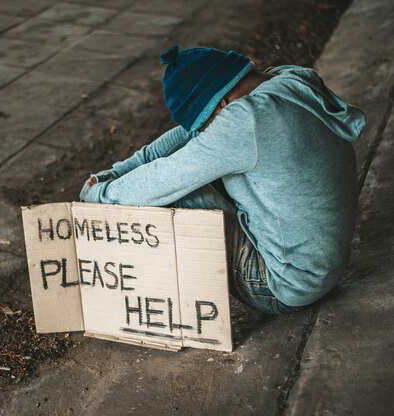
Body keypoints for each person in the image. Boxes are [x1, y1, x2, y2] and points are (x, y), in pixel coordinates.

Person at [79, 45, 365, 314]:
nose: (204, 134)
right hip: (323, 266)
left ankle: (148, 304)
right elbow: (182, 139)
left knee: (170, 195)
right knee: (193, 166)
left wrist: (96, 195)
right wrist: (112, 174)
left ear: (222, 106)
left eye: (206, 127)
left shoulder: (246, 121)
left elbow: (163, 178)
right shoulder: (288, 81)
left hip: (286, 285)